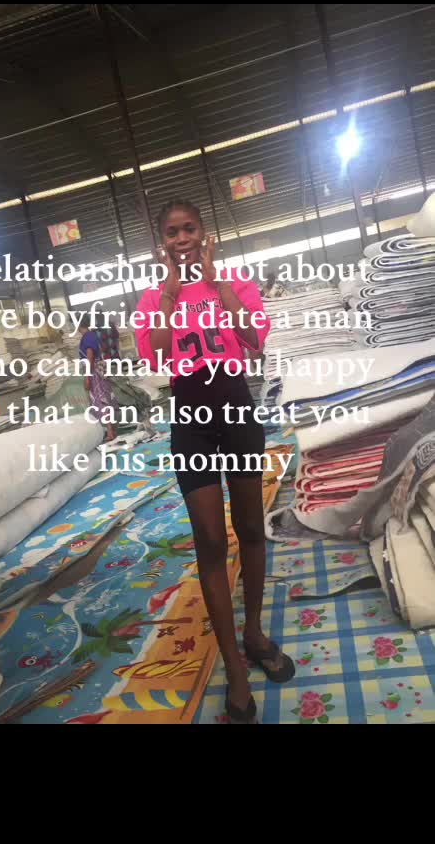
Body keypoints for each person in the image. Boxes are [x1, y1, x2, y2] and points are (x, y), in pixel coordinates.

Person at [136, 199, 294, 725]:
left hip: (237, 409)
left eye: (189, 229)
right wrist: (170, 291)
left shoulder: (234, 283)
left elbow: (253, 340)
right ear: (162, 242)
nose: (181, 238)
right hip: (192, 419)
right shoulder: (154, 297)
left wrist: (217, 284)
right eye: (172, 232)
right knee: (209, 540)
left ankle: (254, 633)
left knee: (250, 527)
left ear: (205, 234)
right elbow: (158, 353)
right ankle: (234, 664)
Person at [79, 315, 116, 444]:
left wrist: (88, 377)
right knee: (104, 398)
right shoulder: (92, 335)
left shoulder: (87, 337)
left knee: (100, 400)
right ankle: (110, 429)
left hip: (94, 371)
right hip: (97, 370)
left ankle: (110, 432)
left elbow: (89, 356)